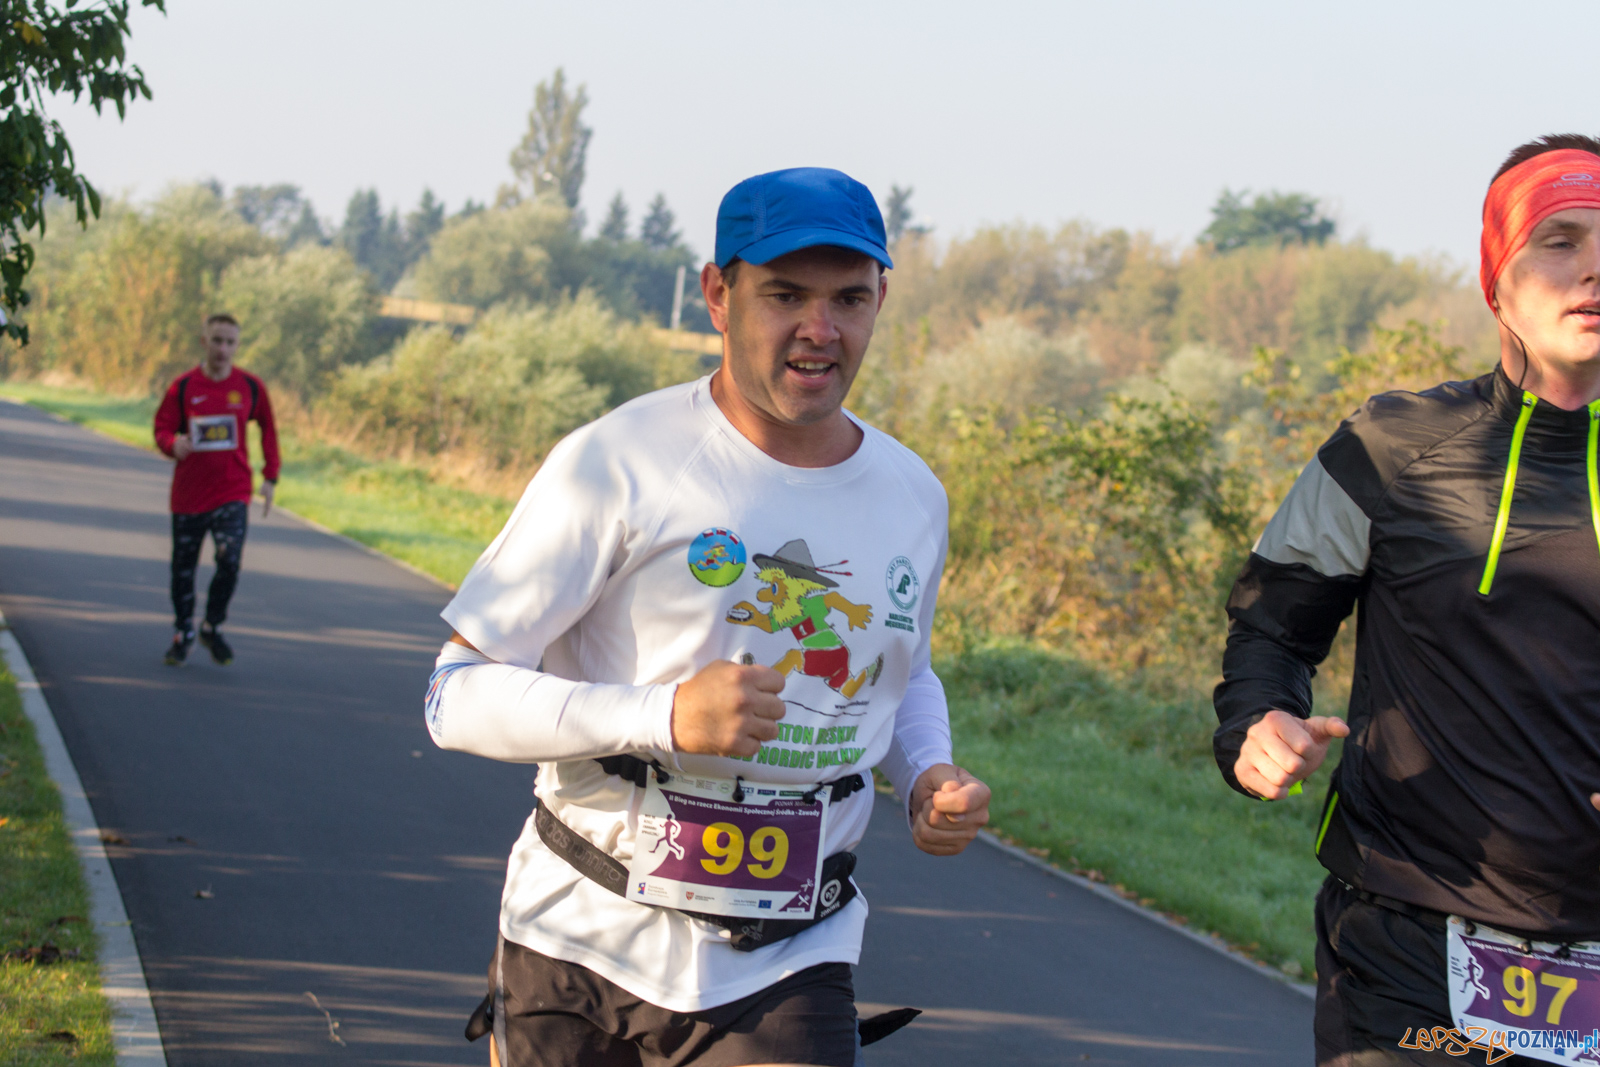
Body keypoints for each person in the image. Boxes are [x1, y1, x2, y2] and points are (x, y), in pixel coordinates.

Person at [426, 167, 992, 1067]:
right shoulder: (617, 463)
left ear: (881, 297)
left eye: (849, 297)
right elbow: (453, 696)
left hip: (789, 958)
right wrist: (663, 716)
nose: (821, 329)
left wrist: (927, 768)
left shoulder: (912, 494)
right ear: (718, 296)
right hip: (578, 935)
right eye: (785, 295)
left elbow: (902, 668)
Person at [1214, 133, 1600, 1066]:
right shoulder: (1391, 447)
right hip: (1407, 934)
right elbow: (1272, 625)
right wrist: (1259, 724)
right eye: (1560, 240)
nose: (1594, 269)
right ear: (1496, 281)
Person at [153, 313, 279, 666]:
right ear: (204, 342)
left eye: (230, 342)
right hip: (189, 496)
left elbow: (268, 429)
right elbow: (162, 428)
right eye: (217, 340)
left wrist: (271, 476)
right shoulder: (183, 388)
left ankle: (212, 625)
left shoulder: (250, 388)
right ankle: (184, 632)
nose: (223, 349)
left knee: (230, 557)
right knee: (183, 570)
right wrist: (171, 444)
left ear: (237, 345)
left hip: (232, 491)